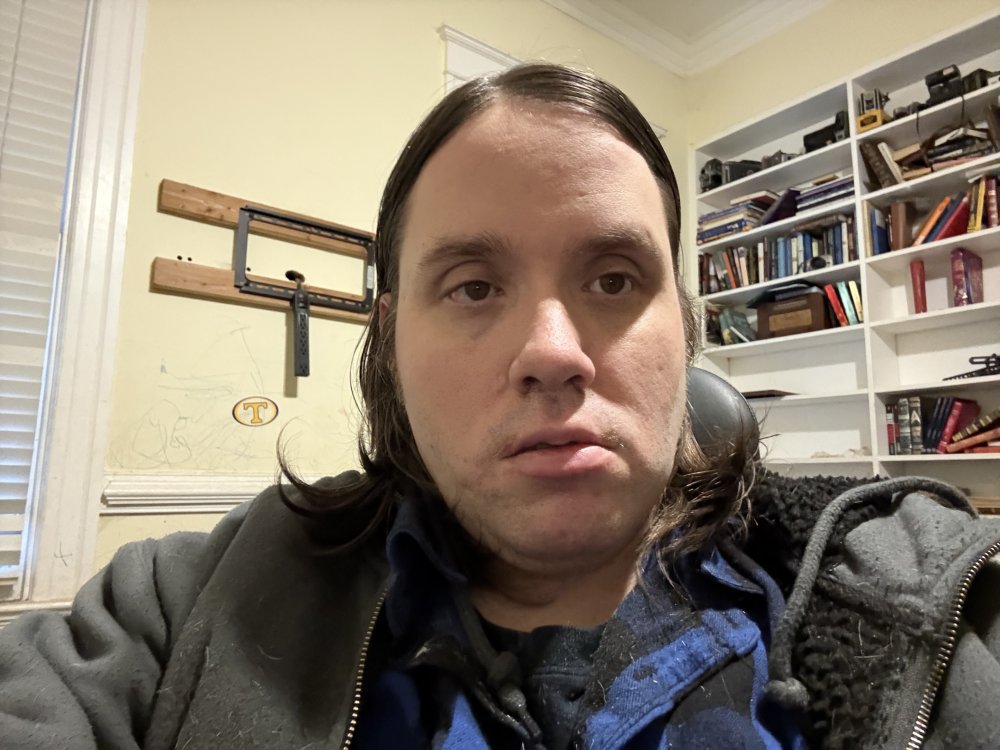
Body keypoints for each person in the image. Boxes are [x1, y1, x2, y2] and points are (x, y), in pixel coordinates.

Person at [1, 63, 998, 750]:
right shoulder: (181, 606)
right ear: (390, 341)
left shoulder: (921, 593)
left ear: (684, 327)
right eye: (474, 287)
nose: (552, 354)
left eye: (614, 279)